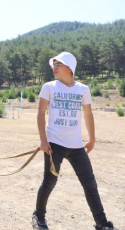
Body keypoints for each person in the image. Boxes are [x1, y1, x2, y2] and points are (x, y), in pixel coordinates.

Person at [32, 52, 117, 230]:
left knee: (89, 183)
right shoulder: (49, 87)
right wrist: (43, 139)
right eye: (53, 65)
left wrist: (92, 139)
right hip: (54, 144)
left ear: (69, 68)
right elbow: (40, 113)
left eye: (58, 65)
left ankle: (102, 223)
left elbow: (88, 114)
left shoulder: (82, 90)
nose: (54, 68)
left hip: (77, 145)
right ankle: (38, 217)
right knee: (49, 181)